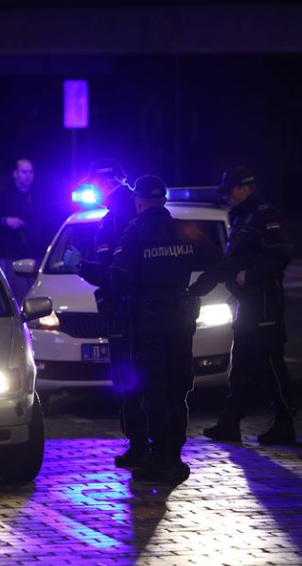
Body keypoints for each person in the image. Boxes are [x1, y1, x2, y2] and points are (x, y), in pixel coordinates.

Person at [109, 175, 221, 483]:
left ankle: (160, 459)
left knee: (154, 390)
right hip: (181, 317)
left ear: (139, 201)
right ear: (164, 200)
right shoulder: (184, 230)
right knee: (177, 388)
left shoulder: (136, 234)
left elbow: (118, 277)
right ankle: (175, 456)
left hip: (150, 321)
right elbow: (218, 263)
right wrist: (196, 290)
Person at [190, 166, 298, 446]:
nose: (228, 198)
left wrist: (251, 275)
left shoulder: (263, 215)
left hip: (263, 304)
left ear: (245, 188)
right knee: (242, 365)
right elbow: (230, 261)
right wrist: (201, 287)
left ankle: (285, 423)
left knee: (271, 364)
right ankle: (230, 422)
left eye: (230, 192)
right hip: (248, 304)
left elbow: (281, 253)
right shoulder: (244, 215)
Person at [76, 159, 147, 469]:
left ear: (103, 183)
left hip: (125, 312)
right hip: (142, 310)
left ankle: (139, 445)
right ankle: (150, 443)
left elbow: (116, 271)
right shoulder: (137, 210)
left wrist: (90, 271)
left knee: (127, 379)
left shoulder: (117, 216)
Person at [0, 158, 50, 302]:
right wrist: (6, 220)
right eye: (24, 172)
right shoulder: (4, 195)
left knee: (35, 297)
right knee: (16, 295)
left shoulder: (38, 194)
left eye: (31, 172)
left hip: (35, 254)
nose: (28, 175)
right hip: (11, 255)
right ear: (15, 174)